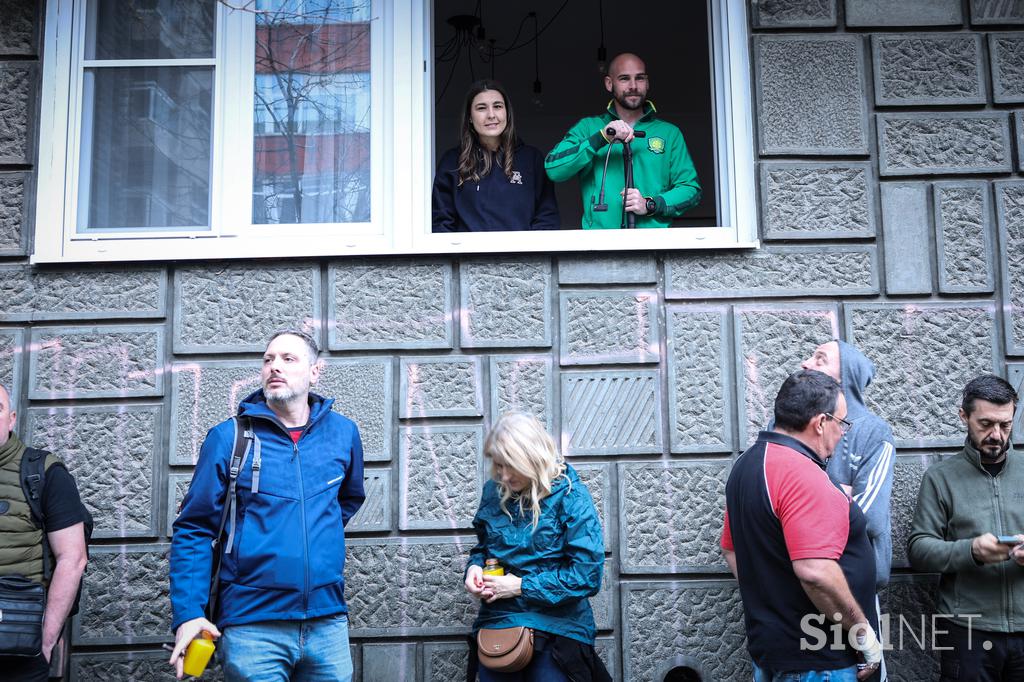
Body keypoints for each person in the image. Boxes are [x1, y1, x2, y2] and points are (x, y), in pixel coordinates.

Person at [169, 330, 365, 682]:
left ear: (314, 371)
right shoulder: (229, 438)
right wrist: (188, 613)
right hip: (252, 625)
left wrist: (311, 537)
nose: (275, 367)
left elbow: (346, 502)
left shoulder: (343, 433)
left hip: (327, 622)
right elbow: (194, 529)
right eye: (268, 360)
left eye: (288, 359)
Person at [722, 370, 882, 681]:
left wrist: (776, 600)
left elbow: (730, 550)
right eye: (842, 423)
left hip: (776, 652)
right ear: (821, 423)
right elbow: (815, 572)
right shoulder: (803, 474)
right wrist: (864, 636)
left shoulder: (746, 464)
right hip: (819, 662)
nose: (843, 433)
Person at [464, 412, 610, 682]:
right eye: (498, 466)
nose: (504, 476)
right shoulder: (493, 492)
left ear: (532, 457)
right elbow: (484, 549)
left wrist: (520, 586)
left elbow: (587, 576)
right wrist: (474, 568)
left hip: (558, 628)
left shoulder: (570, 495)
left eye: (512, 465)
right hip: (500, 626)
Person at [908, 374, 1023, 681]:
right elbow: (919, 549)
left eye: (1005, 424)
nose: (997, 434)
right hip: (967, 631)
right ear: (964, 415)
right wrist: (971, 550)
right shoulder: (940, 477)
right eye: (985, 424)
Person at [544, 52, 701, 229]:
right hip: (600, 244)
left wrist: (650, 204)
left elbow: (691, 190)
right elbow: (554, 168)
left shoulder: (669, 133)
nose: (633, 86)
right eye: (624, 78)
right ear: (609, 84)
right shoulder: (589, 127)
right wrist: (602, 137)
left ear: (647, 82)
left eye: (640, 78)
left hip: (653, 245)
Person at [0, 382, 89, 682]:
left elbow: (73, 559)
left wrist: (46, 642)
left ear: (11, 419)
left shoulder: (43, 473)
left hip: (18, 649)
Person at [432, 79, 559, 232]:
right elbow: (441, 224)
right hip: (468, 255)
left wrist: (530, 254)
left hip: (523, 255)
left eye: (498, 106)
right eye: (481, 108)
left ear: (507, 113)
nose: (491, 115)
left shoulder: (531, 159)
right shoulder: (452, 162)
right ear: (470, 117)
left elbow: (547, 218)